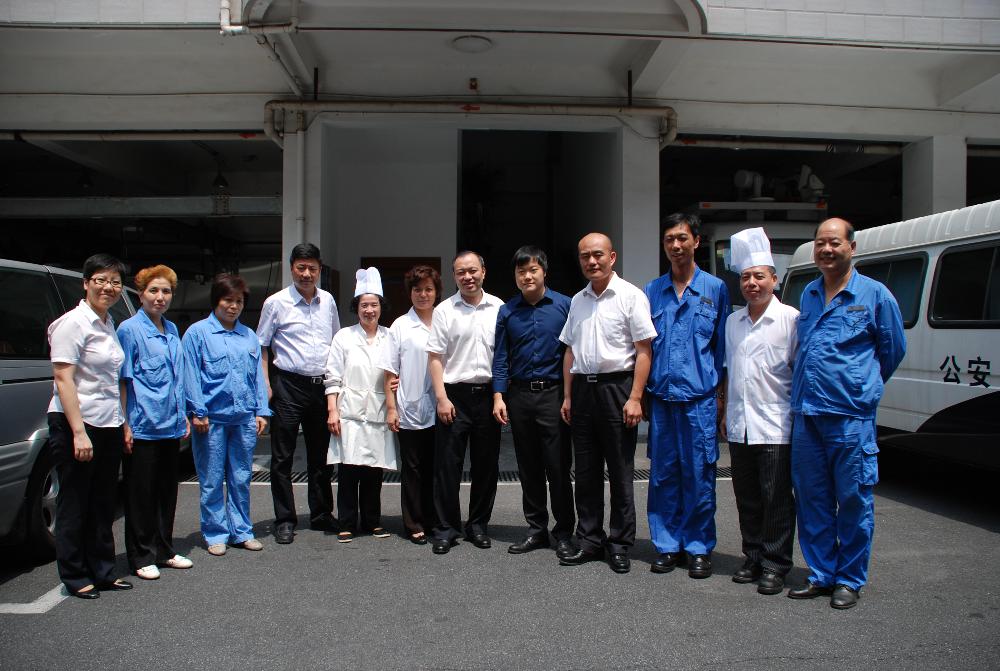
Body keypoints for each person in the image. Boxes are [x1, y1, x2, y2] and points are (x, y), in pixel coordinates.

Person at [787, 217, 905, 610]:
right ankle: (821, 574)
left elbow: (892, 350)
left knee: (853, 499)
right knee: (812, 498)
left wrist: (861, 386)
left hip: (850, 417)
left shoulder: (875, 295)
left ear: (851, 247)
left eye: (834, 243)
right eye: (820, 242)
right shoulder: (809, 293)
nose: (826, 249)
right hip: (807, 413)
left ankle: (849, 579)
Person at [558, 233, 656, 574]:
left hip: (618, 389)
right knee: (585, 471)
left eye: (598, 254)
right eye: (585, 256)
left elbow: (644, 350)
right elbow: (570, 351)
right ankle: (589, 539)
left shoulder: (631, 296)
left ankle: (619, 543)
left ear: (612, 257)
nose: (592, 261)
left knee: (619, 470)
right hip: (583, 391)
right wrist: (568, 395)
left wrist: (635, 397)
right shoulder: (578, 300)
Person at [644, 213, 729, 579]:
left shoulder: (716, 289)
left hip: (700, 401)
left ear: (696, 241)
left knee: (699, 476)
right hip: (662, 400)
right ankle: (667, 545)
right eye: (669, 240)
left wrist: (722, 398)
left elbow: (722, 349)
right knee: (663, 475)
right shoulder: (652, 291)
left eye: (682, 238)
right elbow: (643, 348)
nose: (676, 245)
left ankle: (697, 547)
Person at [47, 253, 134, 599]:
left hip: (107, 420)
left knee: (103, 500)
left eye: (115, 282)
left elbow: (110, 380)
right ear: (85, 283)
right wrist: (79, 432)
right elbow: (63, 378)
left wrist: (122, 422)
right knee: (75, 500)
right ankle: (74, 574)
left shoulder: (108, 323)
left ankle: (103, 570)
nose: (108, 287)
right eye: (100, 280)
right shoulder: (73, 323)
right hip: (76, 422)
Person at [719, 228, 798, 595]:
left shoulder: (791, 320)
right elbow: (728, 372)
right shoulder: (732, 323)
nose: (751, 283)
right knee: (747, 496)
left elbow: (799, 372)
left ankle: (775, 564)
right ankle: (752, 556)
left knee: (776, 498)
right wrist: (724, 410)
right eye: (746, 277)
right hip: (740, 424)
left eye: (759, 276)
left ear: (774, 280)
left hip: (776, 425)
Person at [492, 246, 575, 558]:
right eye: (521, 271)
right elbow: (501, 356)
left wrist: (570, 396)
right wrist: (499, 395)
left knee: (558, 466)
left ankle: (564, 532)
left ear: (544, 272)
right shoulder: (507, 311)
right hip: (520, 396)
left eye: (532, 270)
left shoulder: (565, 305)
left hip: (554, 394)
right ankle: (536, 529)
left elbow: (574, 352)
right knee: (528, 467)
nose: (527, 276)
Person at [257, 243, 341, 544]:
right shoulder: (275, 303)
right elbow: (262, 346)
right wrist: (266, 385)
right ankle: (285, 519)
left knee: (321, 455)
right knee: (282, 457)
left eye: (312, 268)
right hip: (288, 386)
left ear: (320, 269)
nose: (307, 274)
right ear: (291, 267)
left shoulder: (327, 300)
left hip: (320, 387)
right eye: (301, 268)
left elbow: (336, 343)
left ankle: (321, 513)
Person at [182, 274, 270, 556]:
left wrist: (261, 411)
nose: (233, 306)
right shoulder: (197, 333)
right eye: (228, 300)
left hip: (243, 418)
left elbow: (257, 376)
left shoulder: (248, 336)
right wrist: (197, 411)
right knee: (211, 478)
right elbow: (190, 374)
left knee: (241, 477)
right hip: (211, 419)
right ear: (216, 301)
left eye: (239, 301)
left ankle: (241, 531)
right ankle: (215, 532)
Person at [118, 264, 193, 580]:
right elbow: (123, 380)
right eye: (153, 291)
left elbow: (178, 378)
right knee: (141, 494)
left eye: (166, 291)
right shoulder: (129, 330)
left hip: (170, 424)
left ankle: (164, 549)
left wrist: (184, 413)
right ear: (141, 294)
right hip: (143, 425)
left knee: (166, 491)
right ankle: (141, 555)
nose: (160, 297)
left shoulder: (172, 329)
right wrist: (125, 423)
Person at [426, 251, 503, 555]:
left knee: (486, 465)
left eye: (472, 271)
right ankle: (446, 528)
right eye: (461, 272)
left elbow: (504, 357)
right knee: (447, 466)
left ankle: (478, 525)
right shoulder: (445, 310)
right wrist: (441, 398)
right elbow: (435, 357)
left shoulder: (499, 308)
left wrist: (500, 396)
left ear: (484, 271)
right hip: (454, 395)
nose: (467, 277)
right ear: (454, 276)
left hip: (488, 395)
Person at [325, 268, 398, 543]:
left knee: (373, 471)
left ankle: (372, 521)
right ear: (356, 308)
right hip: (349, 412)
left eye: (374, 305)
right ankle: (346, 522)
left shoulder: (390, 337)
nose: (369, 310)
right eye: (364, 305)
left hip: (378, 410)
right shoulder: (343, 337)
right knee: (348, 469)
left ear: (381, 307)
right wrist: (332, 410)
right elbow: (332, 376)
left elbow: (396, 371)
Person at [381, 265, 442, 545]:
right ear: (410, 293)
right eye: (418, 289)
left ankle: (436, 519)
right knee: (414, 468)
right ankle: (414, 522)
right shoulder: (400, 326)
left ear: (436, 292)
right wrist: (391, 407)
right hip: (411, 406)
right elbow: (390, 370)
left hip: (442, 405)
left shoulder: (444, 319)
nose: (423, 294)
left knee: (438, 467)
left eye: (428, 289)